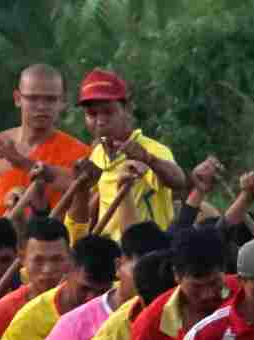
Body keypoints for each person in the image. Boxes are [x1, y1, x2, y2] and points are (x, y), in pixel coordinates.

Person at [73, 69, 187, 238]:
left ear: (127, 108)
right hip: (111, 254)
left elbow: (179, 181)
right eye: (92, 114)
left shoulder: (153, 149)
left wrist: (149, 160)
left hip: (147, 251)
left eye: (107, 112)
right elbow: (96, 204)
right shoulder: (97, 153)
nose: (100, 121)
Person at [0, 64, 91, 217]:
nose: (41, 106)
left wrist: (21, 162)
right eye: (32, 98)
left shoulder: (80, 153)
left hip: (52, 238)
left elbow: (83, 188)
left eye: (51, 99)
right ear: (18, 99)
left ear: (62, 102)